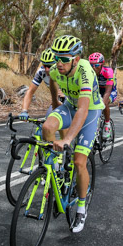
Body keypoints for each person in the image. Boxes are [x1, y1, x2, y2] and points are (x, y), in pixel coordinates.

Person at [41, 35, 104, 233]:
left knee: (79, 162)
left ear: (76, 59)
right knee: (47, 128)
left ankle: (81, 208)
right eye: (56, 57)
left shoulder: (85, 71)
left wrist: (68, 138)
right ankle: (57, 168)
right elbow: (52, 80)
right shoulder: (55, 69)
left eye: (65, 59)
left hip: (90, 110)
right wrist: (54, 104)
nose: (59, 63)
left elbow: (83, 110)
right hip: (69, 105)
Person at [19, 48, 63, 119]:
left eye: (50, 66)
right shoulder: (41, 72)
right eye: (45, 65)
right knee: (48, 121)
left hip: (72, 99)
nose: (47, 69)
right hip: (57, 100)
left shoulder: (64, 71)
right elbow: (30, 91)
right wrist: (24, 111)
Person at [88, 52, 116, 140]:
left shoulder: (108, 71)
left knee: (105, 103)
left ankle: (107, 125)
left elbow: (107, 92)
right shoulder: (89, 71)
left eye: (96, 65)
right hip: (97, 91)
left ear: (102, 64)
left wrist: (101, 105)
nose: (93, 67)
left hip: (110, 91)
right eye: (91, 65)